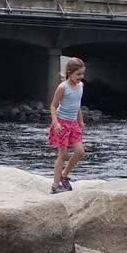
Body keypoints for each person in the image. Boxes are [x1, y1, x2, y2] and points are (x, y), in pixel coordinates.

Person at [47, 57, 86, 194]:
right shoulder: (62, 87)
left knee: (80, 151)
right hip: (62, 123)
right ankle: (55, 185)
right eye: (78, 74)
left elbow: (77, 105)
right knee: (62, 154)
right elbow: (53, 106)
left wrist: (80, 120)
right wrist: (56, 123)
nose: (81, 77)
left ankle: (64, 175)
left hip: (73, 124)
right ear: (69, 73)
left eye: (82, 74)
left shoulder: (80, 86)